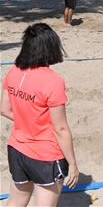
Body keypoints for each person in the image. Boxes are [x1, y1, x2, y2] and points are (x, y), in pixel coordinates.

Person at [1, 23, 79, 206]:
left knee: (16, 200)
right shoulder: (53, 81)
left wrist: (27, 120)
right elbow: (60, 129)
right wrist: (73, 164)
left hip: (17, 149)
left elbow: (4, 108)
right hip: (45, 155)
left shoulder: (14, 71)